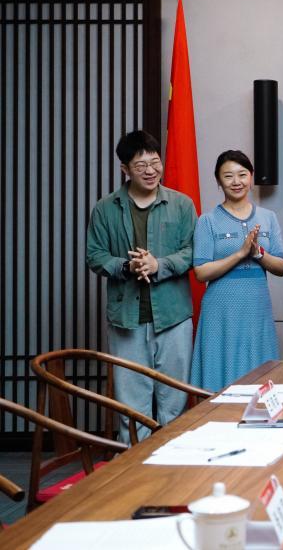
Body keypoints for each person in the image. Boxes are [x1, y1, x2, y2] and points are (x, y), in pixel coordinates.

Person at [85, 130, 197, 443]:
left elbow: (193, 251)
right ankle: (135, 466)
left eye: (155, 162)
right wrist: (127, 266)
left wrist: (160, 264)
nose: (150, 170)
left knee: (175, 402)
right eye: (140, 165)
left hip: (173, 314)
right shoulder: (105, 208)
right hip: (127, 319)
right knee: (131, 408)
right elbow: (95, 256)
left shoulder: (181, 204)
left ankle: (173, 463)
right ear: (125, 169)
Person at [190, 150, 283, 391]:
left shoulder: (268, 217)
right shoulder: (207, 221)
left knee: (258, 372)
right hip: (220, 309)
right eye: (228, 176)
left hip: (256, 305)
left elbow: (281, 266)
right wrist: (239, 254)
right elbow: (201, 272)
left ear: (251, 177)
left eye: (242, 174)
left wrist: (258, 253)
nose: (236, 181)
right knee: (219, 375)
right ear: (218, 181)